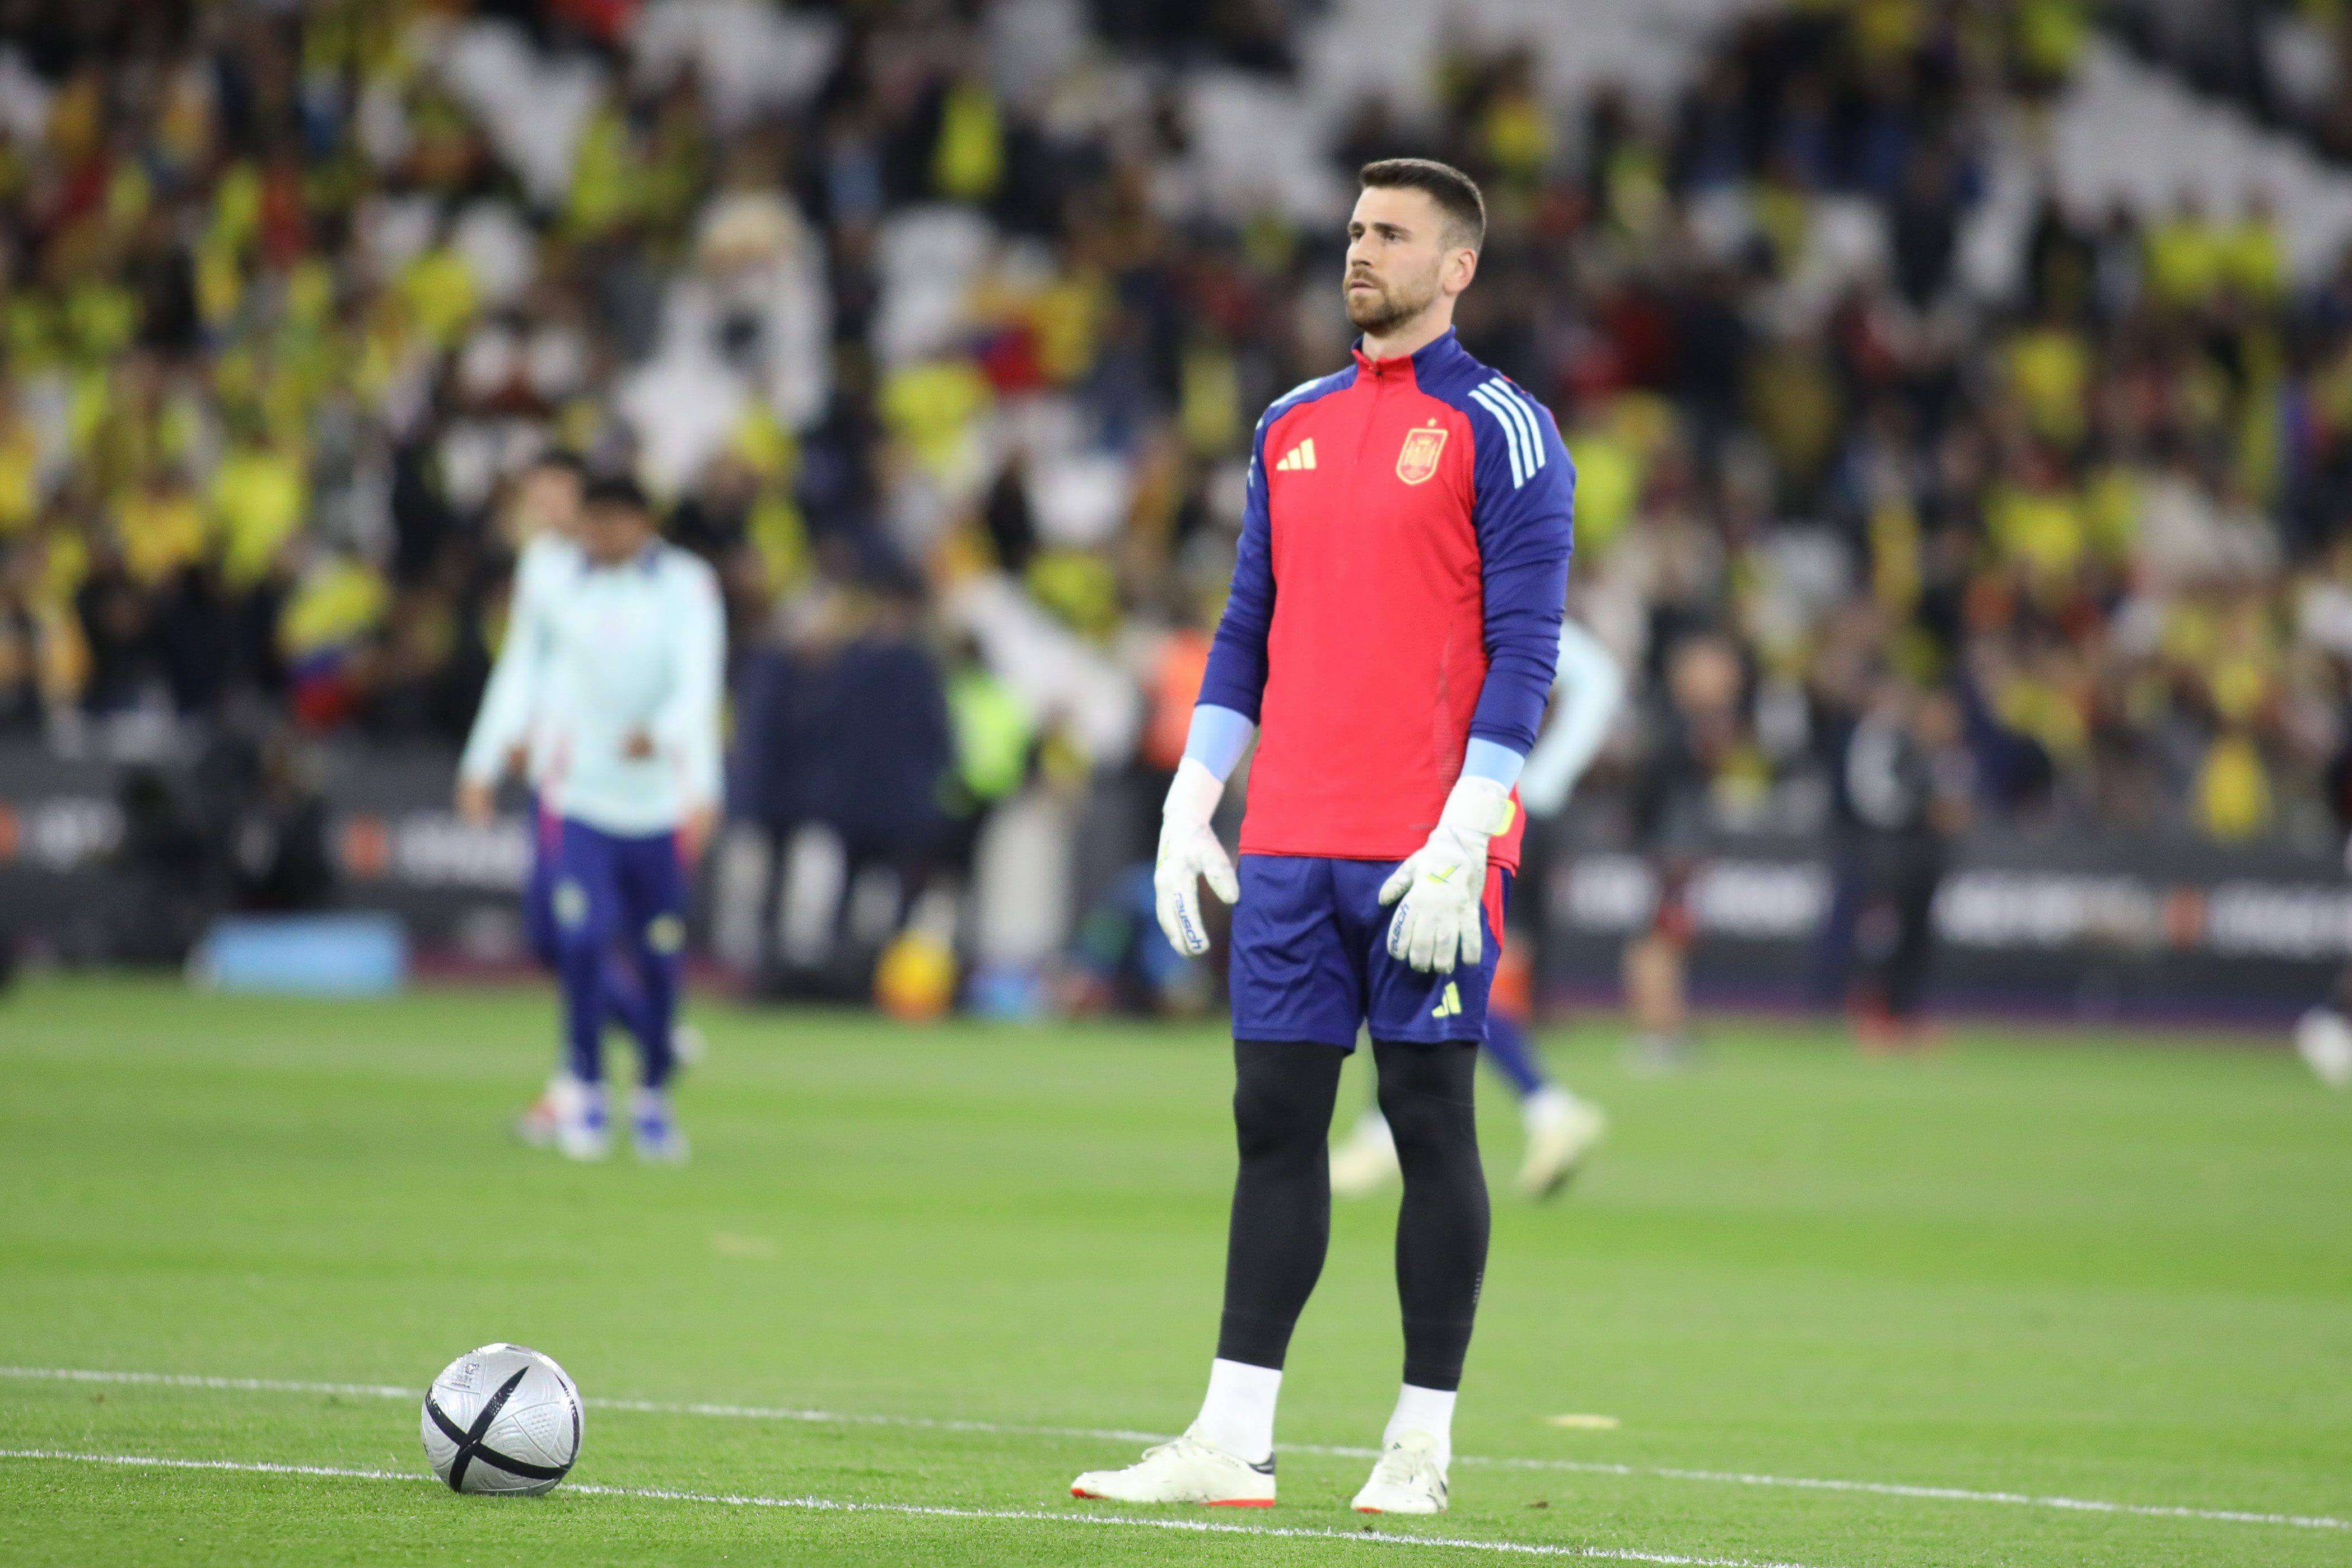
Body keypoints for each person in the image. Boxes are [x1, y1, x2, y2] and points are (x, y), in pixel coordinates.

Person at [1071, 158, 1574, 1515]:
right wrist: (1193, 797)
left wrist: (1470, 825)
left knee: (1431, 1120)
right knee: (1274, 1123)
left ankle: (1420, 1443)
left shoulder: (1506, 428)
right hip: (1291, 836)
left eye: (1393, 234)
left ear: (1457, 267)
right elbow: (1248, 625)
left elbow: (1527, 650)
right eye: (1356, 228)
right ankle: (1232, 1438)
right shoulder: (1288, 421)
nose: (1362, 249)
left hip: (1426, 846)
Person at [460, 473, 724, 1160]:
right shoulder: (552, 576)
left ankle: (654, 1096)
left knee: (660, 954)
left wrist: (677, 751)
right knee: (577, 940)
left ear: (644, 523)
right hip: (577, 795)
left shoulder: (687, 583)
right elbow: (522, 669)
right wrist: (483, 760)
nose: (602, 535)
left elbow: (699, 681)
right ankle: (585, 1088)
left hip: (657, 802)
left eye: (616, 521)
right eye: (593, 521)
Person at [1329, 618, 1620, 1200]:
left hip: (1477, 809)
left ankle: (1544, 1105)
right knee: (1413, 958)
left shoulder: (1495, 601)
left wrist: (1540, 781)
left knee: (1432, 957)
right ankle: (1390, 1127)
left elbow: (1597, 678)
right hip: (1450, 801)